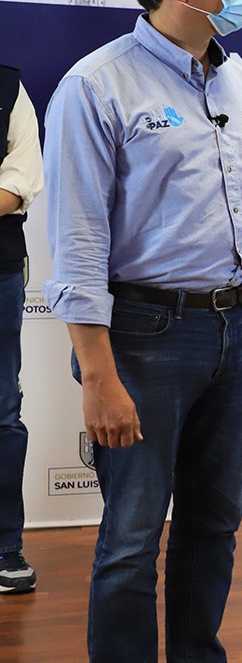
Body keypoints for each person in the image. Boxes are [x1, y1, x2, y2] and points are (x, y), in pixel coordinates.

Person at [42, 0, 242, 661]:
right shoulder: (96, 85)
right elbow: (77, 243)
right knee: (131, 537)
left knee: (214, 524)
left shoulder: (239, 79)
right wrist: (98, 375)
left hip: (236, 329)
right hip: (144, 337)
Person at [0, 65, 44, 596]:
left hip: (1, 272)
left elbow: (18, 184)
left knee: (2, 414)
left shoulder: (8, 88)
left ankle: (5, 546)